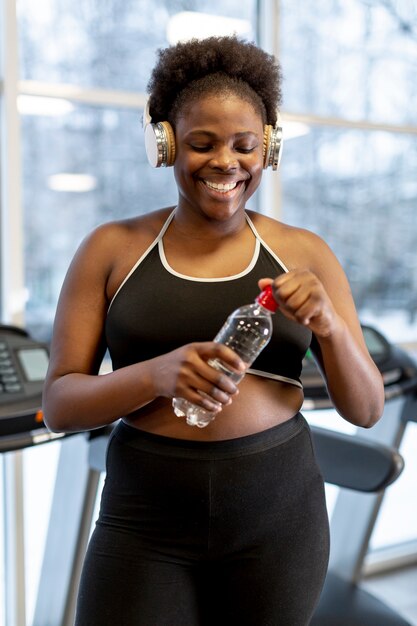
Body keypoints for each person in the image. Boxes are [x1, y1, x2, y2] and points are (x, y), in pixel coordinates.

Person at [43, 35, 385, 626]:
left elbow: (367, 409)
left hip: (278, 519)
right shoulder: (111, 249)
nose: (225, 162)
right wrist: (154, 375)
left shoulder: (306, 252)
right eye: (201, 144)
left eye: (244, 146)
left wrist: (329, 325)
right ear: (166, 145)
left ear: (268, 149)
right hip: (144, 517)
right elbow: (59, 405)